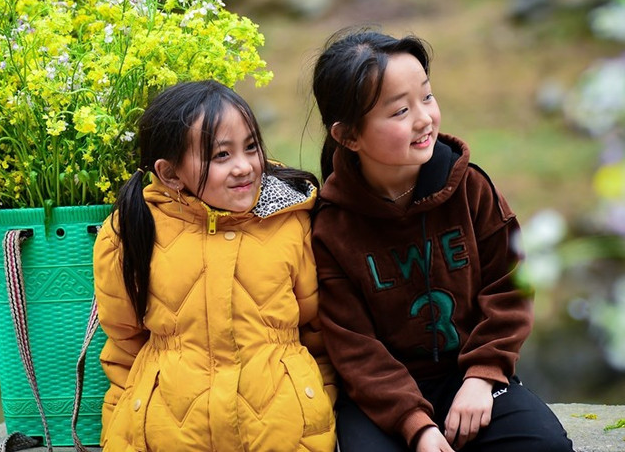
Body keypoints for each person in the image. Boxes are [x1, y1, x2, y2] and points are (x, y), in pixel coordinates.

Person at [309, 28, 574, 452]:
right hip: (381, 398)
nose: (424, 118)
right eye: (399, 111)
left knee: (544, 446)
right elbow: (354, 347)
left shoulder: (470, 189)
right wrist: (418, 426)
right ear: (348, 136)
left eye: (427, 97)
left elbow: (510, 286)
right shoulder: (331, 226)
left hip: (469, 377)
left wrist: (483, 375)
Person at [92, 80, 337, 451]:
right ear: (171, 173)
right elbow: (123, 346)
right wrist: (117, 435)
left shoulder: (292, 221)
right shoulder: (131, 231)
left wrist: (316, 411)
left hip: (284, 435)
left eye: (251, 147)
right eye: (221, 155)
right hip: (165, 436)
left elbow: (318, 332)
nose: (244, 167)